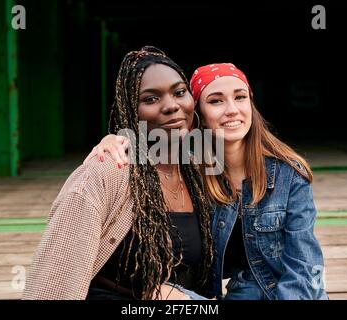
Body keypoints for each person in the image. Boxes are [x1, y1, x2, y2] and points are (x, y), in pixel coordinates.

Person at [86, 62, 328, 300]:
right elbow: (143, 151)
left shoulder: (288, 174)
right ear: (197, 115)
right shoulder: (189, 172)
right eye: (216, 101)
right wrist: (113, 141)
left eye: (240, 97)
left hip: (293, 292)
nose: (232, 109)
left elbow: (305, 268)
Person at [22, 46, 213, 300]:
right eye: (150, 99)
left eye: (179, 92)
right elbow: (55, 277)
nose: (171, 106)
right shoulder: (106, 173)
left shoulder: (197, 171)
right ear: (131, 111)